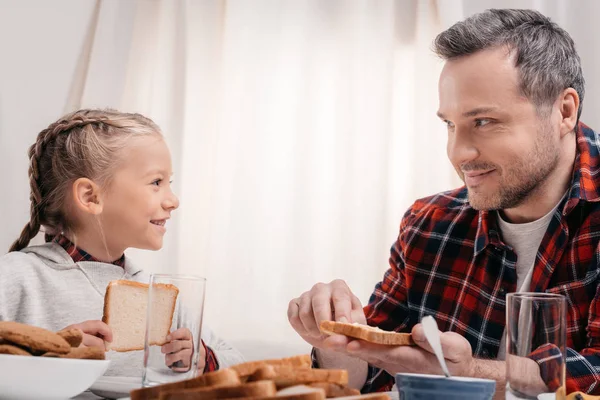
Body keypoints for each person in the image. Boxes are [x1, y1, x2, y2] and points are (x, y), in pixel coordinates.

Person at [288, 8, 600, 397]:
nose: (459, 152)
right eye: (450, 125)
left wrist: (469, 371)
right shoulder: (428, 223)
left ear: (564, 111)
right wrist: (331, 337)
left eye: (483, 121)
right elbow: (366, 374)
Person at [0, 109, 244, 376]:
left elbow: (239, 362)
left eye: (168, 182)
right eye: (156, 182)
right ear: (90, 197)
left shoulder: (158, 296)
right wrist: (50, 353)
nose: (173, 200)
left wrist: (203, 358)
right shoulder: (17, 277)